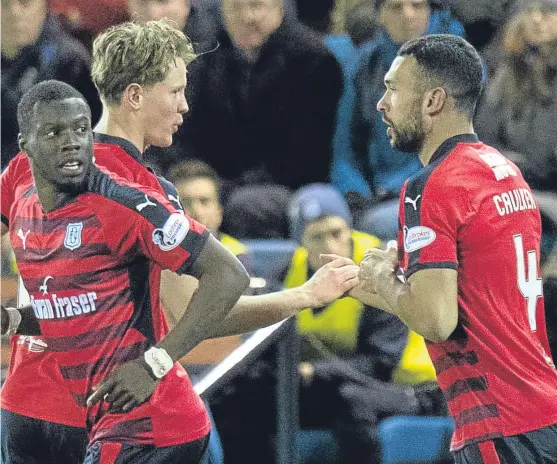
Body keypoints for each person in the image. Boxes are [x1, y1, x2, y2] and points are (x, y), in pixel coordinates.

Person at [1, 21, 359, 464]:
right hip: (118, 417)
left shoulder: (28, 163)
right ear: (135, 96)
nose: (185, 106)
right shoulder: (145, 197)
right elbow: (196, 312)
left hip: (25, 407)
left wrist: (15, 318)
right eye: (174, 91)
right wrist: (302, 296)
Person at [5, 80, 251, 461]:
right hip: (101, 421)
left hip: (151, 426)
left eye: (81, 130)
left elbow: (229, 274)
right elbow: (77, 310)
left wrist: (155, 362)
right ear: (25, 147)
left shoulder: (126, 204)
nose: (72, 142)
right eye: (54, 132)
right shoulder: (21, 202)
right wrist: (12, 319)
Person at [345, 34, 557, 462]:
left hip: (497, 426)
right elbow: (469, 305)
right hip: (543, 409)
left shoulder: (430, 187)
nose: (381, 104)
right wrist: (357, 283)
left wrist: (382, 276)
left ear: (432, 101)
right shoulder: (505, 173)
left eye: (393, 89)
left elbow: (436, 321)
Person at [1, 0, 101, 169]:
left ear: (43, 5)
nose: (14, 14)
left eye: (24, 3)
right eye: (4, 4)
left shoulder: (71, 62)